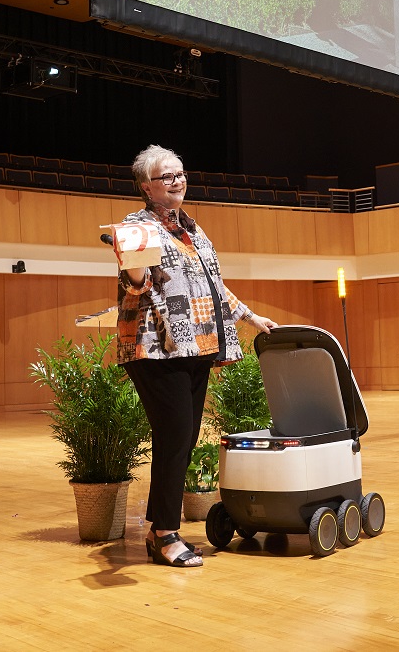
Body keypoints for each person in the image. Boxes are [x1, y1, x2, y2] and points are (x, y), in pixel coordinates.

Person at [115, 145, 277, 568]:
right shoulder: (138, 226)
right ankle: (164, 534)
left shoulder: (194, 231)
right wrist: (133, 269)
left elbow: (214, 287)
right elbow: (137, 284)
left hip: (197, 345)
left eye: (181, 173)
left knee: (183, 437)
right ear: (146, 187)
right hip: (156, 348)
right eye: (167, 176)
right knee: (175, 434)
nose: (177, 181)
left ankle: (163, 529)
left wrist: (250, 316)